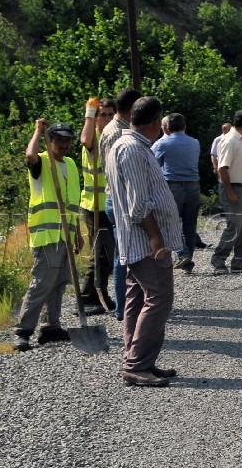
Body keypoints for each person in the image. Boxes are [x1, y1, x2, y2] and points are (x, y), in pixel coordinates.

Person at [105, 96, 183, 387]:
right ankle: (137, 364)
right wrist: (155, 236)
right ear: (153, 122)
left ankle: (139, 361)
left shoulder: (127, 146)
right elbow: (139, 204)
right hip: (144, 242)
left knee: (137, 299)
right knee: (159, 298)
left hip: (137, 241)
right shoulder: (132, 150)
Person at [12, 120, 83, 351]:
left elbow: (72, 201)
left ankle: (50, 326)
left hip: (65, 232)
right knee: (42, 282)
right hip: (47, 233)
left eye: (68, 140)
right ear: (50, 141)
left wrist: (77, 232)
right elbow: (30, 154)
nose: (64, 144)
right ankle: (23, 330)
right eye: (60, 139)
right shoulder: (42, 161)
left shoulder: (71, 164)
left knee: (60, 281)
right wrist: (36, 131)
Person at [100, 88, 141, 320]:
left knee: (124, 253)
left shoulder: (112, 128)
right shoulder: (118, 132)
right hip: (119, 199)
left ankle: (126, 305)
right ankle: (123, 308)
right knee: (123, 255)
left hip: (116, 198)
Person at [77, 96, 117, 316]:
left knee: (108, 254)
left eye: (111, 114)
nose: (108, 118)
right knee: (101, 253)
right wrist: (89, 115)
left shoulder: (112, 135)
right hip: (94, 205)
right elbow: (84, 140)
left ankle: (100, 294)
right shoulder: (94, 135)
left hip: (109, 204)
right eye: (103, 114)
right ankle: (87, 297)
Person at [151, 112, 201, 273]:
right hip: (194, 185)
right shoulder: (194, 143)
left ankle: (182, 254)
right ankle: (188, 260)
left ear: (166, 129)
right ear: (184, 126)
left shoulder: (162, 144)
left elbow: (152, 164)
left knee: (172, 222)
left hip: (173, 186)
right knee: (190, 224)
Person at [211, 109, 242, 275]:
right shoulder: (230, 140)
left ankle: (239, 261)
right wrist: (230, 191)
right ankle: (218, 259)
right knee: (234, 227)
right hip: (234, 188)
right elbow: (223, 168)